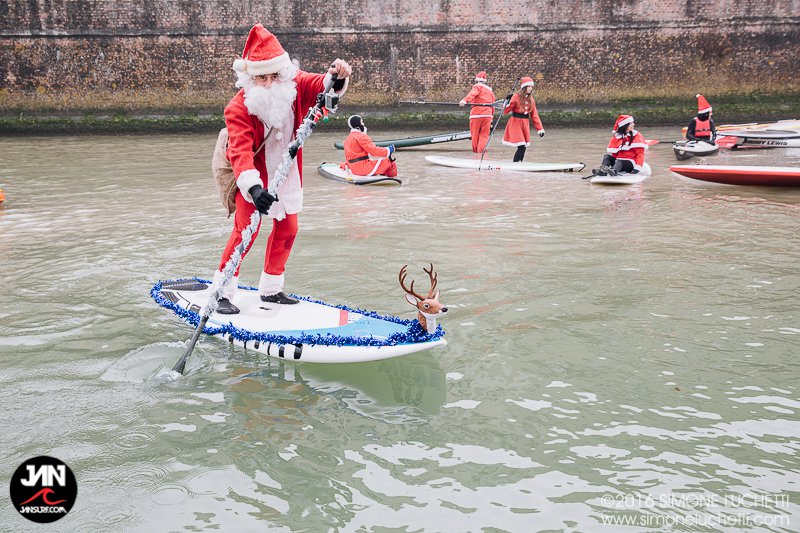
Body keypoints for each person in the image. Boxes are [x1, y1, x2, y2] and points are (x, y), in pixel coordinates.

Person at [213, 24, 351, 314]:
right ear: (251, 77)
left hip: (287, 171)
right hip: (251, 174)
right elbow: (239, 151)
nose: (269, 83)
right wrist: (253, 188)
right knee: (245, 231)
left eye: (274, 76)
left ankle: (271, 289)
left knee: (288, 227)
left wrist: (336, 77)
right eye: (262, 77)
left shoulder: (294, 84)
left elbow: (320, 86)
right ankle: (222, 291)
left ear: (283, 73)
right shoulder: (238, 107)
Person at [502, 76, 545, 162]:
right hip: (515, 123)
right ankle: (515, 163)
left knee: (524, 146)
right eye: (528, 87)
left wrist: (540, 129)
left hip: (524, 124)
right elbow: (506, 111)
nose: (530, 89)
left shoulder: (531, 100)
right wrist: (507, 101)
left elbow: (534, 115)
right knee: (521, 146)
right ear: (524, 87)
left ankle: (519, 162)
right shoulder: (516, 97)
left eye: (531, 87)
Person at [459, 71, 497, 153]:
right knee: (484, 135)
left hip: (476, 114)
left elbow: (472, 94)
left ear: (477, 80)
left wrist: (464, 100)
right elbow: (493, 106)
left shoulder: (477, 87)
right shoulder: (490, 92)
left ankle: (476, 153)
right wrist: (491, 118)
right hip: (488, 115)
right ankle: (481, 153)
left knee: (475, 135)